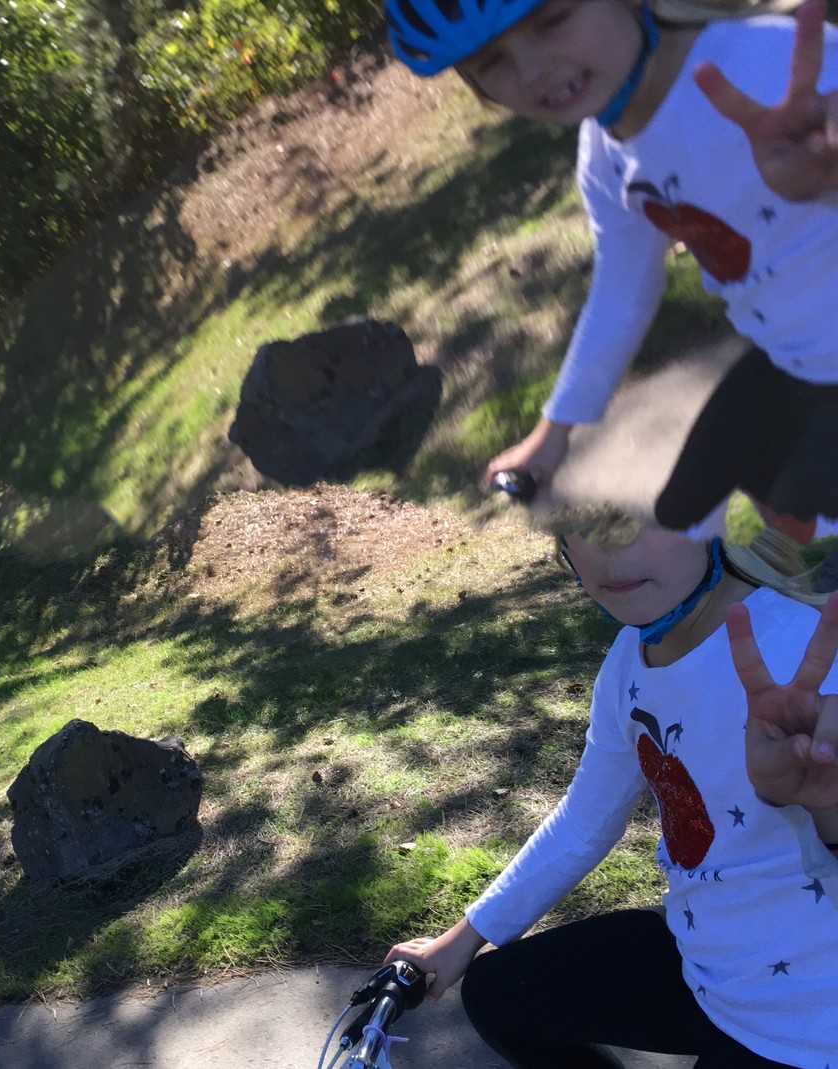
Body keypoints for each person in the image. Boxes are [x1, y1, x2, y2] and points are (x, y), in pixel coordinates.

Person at [382, 520, 838, 1067]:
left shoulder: (806, 655)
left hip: (801, 1026)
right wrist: (462, 938)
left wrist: (828, 807)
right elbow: (583, 821)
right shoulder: (629, 661)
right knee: (502, 994)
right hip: (704, 965)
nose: (611, 548)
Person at [385, 0, 838, 534]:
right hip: (798, 365)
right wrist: (553, 433)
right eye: (492, 64)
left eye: (553, 21)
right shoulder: (605, 157)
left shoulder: (774, 61)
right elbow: (622, 291)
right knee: (709, 524)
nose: (532, 71)